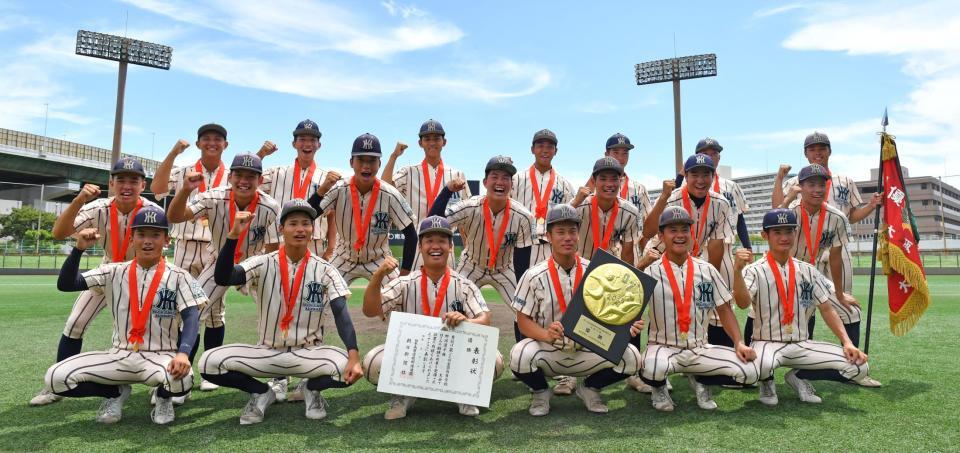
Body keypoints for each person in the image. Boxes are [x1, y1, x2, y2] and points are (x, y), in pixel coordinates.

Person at [202, 200, 362, 424]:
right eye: (293, 223)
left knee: (346, 367)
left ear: (312, 229)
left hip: (309, 354)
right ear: (281, 229)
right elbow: (224, 277)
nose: (300, 229)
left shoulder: (326, 269)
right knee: (208, 363)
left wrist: (353, 353)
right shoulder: (262, 262)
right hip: (267, 352)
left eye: (306, 223)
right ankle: (261, 392)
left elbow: (340, 312)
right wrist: (233, 236)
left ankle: (311, 388)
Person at [45, 207, 203, 424]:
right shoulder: (113, 271)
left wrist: (183, 354)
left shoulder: (180, 276)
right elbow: (66, 284)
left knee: (183, 381)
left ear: (166, 240)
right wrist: (79, 249)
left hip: (161, 355)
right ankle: (115, 394)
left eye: (155, 235)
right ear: (132, 238)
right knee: (55, 379)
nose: (147, 241)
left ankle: (163, 398)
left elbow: (191, 317)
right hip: (119, 354)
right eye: (141, 234)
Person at [30, 157, 160, 406]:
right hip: (107, 272)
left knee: (157, 330)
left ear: (142, 184)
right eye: (120, 179)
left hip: (144, 276)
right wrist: (79, 200)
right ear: (111, 183)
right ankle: (56, 386)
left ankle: (162, 384)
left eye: (134, 180)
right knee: (75, 323)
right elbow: (59, 233)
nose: (127, 185)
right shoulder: (98, 206)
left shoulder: (153, 211)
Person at [360, 215, 503, 419]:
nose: (435, 246)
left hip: (451, 356)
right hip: (414, 357)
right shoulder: (405, 283)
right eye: (429, 240)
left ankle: (462, 392)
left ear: (450, 246)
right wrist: (377, 276)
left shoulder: (464, 284)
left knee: (494, 360)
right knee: (373, 362)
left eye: (442, 241)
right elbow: (370, 310)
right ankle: (403, 394)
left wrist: (466, 321)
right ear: (420, 246)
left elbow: (485, 318)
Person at [511, 204, 643, 416]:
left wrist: (626, 326)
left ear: (579, 235)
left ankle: (590, 388)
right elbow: (522, 320)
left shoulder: (597, 272)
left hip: (588, 349)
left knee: (632, 358)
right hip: (550, 350)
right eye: (560, 232)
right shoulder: (533, 275)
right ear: (548, 236)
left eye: (572, 231)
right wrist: (545, 334)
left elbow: (612, 314)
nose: (567, 237)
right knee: (519, 355)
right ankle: (541, 391)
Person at [166, 153, 281, 392]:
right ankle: (182, 376)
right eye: (239, 174)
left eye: (251, 176)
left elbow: (273, 245)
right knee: (195, 310)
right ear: (230, 176)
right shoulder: (212, 197)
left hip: (257, 263)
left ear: (260, 180)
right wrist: (186, 191)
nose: (244, 180)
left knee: (277, 314)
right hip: (220, 261)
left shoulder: (270, 206)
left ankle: (279, 378)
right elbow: (176, 216)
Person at [732, 208, 871, 405]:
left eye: (789, 231)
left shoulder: (807, 270)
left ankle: (798, 376)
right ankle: (766, 381)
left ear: (795, 233)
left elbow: (826, 309)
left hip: (801, 344)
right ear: (765, 235)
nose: (784, 237)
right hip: (767, 343)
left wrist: (847, 342)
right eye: (777, 232)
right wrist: (737, 272)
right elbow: (743, 303)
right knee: (750, 370)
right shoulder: (754, 270)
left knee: (859, 367)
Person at [634, 206, 758, 412]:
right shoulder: (650, 270)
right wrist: (640, 265)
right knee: (653, 368)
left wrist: (739, 343)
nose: (680, 235)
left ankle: (701, 381)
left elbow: (725, 310)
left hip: (699, 347)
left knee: (750, 371)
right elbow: (626, 301)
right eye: (672, 230)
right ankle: (659, 389)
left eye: (684, 229)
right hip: (663, 347)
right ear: (661, 235)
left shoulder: (706, 269)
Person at [427, 156, 536, 341]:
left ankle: (523, 358)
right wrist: (446, 191)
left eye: (506, 178)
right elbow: (432, 222)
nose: (500, 182)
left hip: (505, 269)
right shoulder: (470, 207)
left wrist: (522, 297)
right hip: (471, 265)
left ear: (512, 185)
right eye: (495, 176)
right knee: (451, 307)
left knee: (525, 311)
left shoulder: (524, 217)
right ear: (485, 182)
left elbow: (522, 263)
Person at [307, 133, 419, 284]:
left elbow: (411, 234)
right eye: (361, 159)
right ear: (351, 162)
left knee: (400, 295)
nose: (366, 165)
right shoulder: (339, 189)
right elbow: (308, 215)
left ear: (379, 163)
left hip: (379, 259)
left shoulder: (390, 194)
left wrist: (404, 275)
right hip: (343, 258)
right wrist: (322, 190)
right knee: (321, 293)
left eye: (372, 160)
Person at [380, 119, 472, 268]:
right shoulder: (408, 172)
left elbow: (465, 219)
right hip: (417, 243)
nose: (432, 142)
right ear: (420, 143)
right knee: (416, 290)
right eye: (427, 139)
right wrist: (394, 156)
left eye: (436, 138)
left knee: (445, 290)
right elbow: (384, 187)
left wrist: (467, 247)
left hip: (446, 243)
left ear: (444, 142)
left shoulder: (457, 175)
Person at [150, 123, 233, 277]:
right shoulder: (183, 171)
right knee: (182, 296)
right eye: (206, 139)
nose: (212, 143)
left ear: (225, 145)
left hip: (216, 247)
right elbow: (157, 189)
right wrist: (174, 153)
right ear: (198, 144)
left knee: (212, 299)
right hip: (185, 245)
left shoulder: (232, 177)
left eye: (217, 139)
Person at [257, 119, 337, 259]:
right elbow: (245, 180)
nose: (307, 144)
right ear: (294, 144)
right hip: (277, 241)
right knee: (274, 281)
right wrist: (261, 154)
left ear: (319, 145)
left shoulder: (327, 177)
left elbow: (331, 215)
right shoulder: (276, 172)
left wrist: (330, 248)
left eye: (312, 140)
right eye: (302, 139)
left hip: (313, 243)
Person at [510, 129, 576, 265]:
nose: (545, 150)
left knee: (551, 284)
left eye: (550, 147)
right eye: (540, 146)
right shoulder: (515, 180)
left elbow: (570, 219)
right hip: (521, 245)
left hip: (551, 246)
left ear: (555, 151)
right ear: (532, 149)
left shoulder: (565, 185)